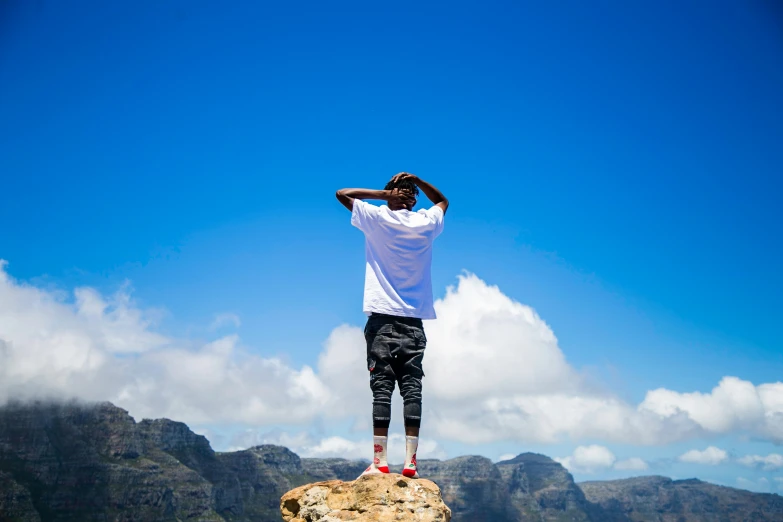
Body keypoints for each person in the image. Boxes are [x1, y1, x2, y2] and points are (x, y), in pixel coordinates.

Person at [336, 172, 449, 478]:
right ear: (413, 199)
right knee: (412, 389)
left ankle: (380, 461)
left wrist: (386, 196)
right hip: (414, 322)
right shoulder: (426, 223)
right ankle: (411, 462)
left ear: (392, 196)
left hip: (382, 320)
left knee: (382, 389)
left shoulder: (376, 219)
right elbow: (442, 201)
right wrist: (419, 180)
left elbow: (343, 193)